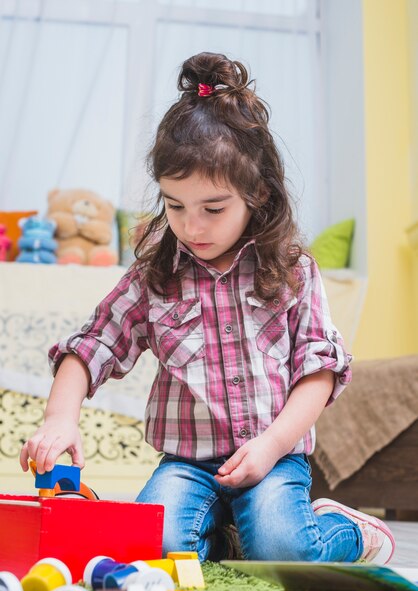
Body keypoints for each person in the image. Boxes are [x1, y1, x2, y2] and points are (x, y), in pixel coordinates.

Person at [20, 52, 395, 565]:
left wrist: (269, 446)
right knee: (153, 549)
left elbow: (319, 371)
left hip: (275, 456)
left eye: (213, 209)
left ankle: (345, 529)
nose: (192, 226)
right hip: (186, 464)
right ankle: (224, 536)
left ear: (256, 194)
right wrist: (60, 417)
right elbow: (92, 346)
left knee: (284, 549)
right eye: (175, 206)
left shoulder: (292, 270)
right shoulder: (155, 277)